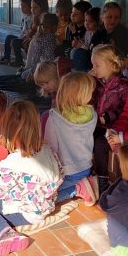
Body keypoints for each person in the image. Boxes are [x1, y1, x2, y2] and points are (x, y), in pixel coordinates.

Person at [0, 100, 62, 256]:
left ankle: (6, 232)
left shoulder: (12, 164)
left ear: (7, 131)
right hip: (43, 206)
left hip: (26, 214)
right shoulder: (48, 151)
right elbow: (59, 174)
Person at [44, 72, 98, 204]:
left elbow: (50, 146)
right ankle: (84, 183)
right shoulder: (93, 114)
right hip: (85, 167)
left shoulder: (53, 116)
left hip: (66, 171)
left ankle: (79, 188)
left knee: (46, 198)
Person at [90, 45, 128, 179]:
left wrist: (108, 117)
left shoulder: (123, 86)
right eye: (93, 65)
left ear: (111, 66)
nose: (93, 69)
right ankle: (87, 170)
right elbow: (91, 100)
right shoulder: (96, 83)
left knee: (100, 144)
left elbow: (126, 109)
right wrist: (88, 82)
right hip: (97, 124)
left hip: (113, 128)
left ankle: (102, 178)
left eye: (97, 65)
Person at [74, 2, 128, 71]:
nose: (113, 20)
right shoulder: (100, 32)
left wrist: (113, 48)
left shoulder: (123, 32)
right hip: (96, 60)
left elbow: (123, 52)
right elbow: (92, 47)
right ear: (102, 17)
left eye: (116, 17)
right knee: (78, 52)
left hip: (114, 64)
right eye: (109, 17)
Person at [20, 13, 58, 82]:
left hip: (44, 68)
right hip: (53, 69)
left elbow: (36, 59)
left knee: (23, 75)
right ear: (56, 27)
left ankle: (37, 79)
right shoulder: (56, 39)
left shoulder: (41, 40)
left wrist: (31, 73)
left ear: (42, 26)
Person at [0, 0, 34, 66]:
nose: (22, 8)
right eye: (21, 6)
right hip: (22, 37)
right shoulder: (25, 16)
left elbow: (29, 34)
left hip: (28, 40)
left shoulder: (33, 19)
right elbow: (22, 30)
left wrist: (20, 38)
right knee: (9, 37)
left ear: (31, 7)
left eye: (24, 6)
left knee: (15, 41)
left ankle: (19, 61)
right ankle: (6, 58)